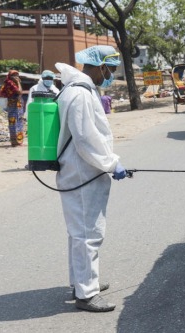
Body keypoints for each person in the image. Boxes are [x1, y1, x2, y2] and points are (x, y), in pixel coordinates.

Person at [54, 45, 127, 312]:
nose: (110, 75)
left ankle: (81, 282)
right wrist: (112, 163)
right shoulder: (80, 94)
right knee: (88, 235)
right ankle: (86, 293)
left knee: (79, 233)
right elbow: (86, 139)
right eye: (111, 69)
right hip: (82, 172)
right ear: (100, 65)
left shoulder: (77, 90)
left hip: (79, 171)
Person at [1, 70, 25, 146]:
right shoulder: (10, 83)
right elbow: (19, 92)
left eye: (17, 75)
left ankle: (17, 141)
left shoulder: (9, 82)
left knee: (18, 121)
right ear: (10, 76)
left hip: (16, 105)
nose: (16, 77)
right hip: (14, 105)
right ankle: (15, 141)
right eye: (14, 75)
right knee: (14, 122)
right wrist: (18, 82)